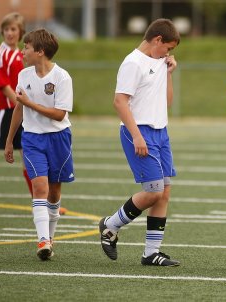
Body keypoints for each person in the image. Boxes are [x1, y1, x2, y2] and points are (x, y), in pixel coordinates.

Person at [98, 19, 181, 267]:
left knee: (164, 193)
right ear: (157, 40)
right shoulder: (132, 63)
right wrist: (136, 135)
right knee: (153, 191)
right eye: (168, 47)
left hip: (160, 132)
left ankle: (150, 253)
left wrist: (168, 73)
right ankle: (110, 226)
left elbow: (166, 102)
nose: (169, 53)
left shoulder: (158, 61)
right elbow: (119, 102)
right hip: (139, 132)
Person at [4, 29, 75, 261]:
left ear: (40, 52)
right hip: (32, 139)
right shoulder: (24, 75)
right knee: (40, 187)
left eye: (27, 47)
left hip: (59, 138)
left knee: (54, 191)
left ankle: (50, 237)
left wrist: (29, 103)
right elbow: (19, 107)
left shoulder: (62, 77)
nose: (23, 51)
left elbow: (58, 115)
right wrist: (9, 140)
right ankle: (43, 240)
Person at [0, 12, 33, 195]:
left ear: (21, 32)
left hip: (18, 110)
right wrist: (22, 104)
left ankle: (40, 200)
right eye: (6, 29)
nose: (10, 33)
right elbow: (3, 85)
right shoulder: (1, 53)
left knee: (28, 153)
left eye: (13, 29)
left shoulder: (19, 54)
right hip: (4, 110)